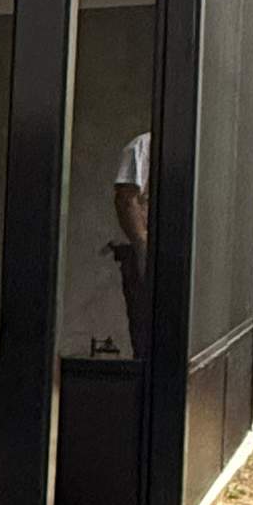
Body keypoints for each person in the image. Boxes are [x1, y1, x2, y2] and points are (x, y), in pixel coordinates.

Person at [111, 130, 151, 358]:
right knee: (144, 329)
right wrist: (142, 243)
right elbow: (125, 198)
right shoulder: (141, 146)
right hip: (141, 252)